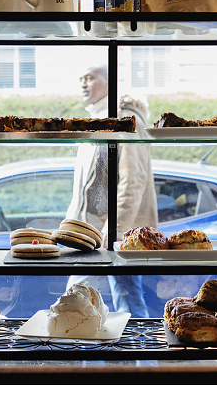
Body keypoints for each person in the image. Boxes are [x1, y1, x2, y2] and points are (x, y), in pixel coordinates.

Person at [65, 65, 157, 317]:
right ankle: (138, 343)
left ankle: (79, 341)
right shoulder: (99, 119)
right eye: (81, 78)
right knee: (128, 301)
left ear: (111, 81)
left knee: (74, 301)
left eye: (90, 78)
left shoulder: (124, 118)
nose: (83, 84)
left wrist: (114, 230)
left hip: (111, 232)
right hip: (97, 231)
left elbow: (133, 179)